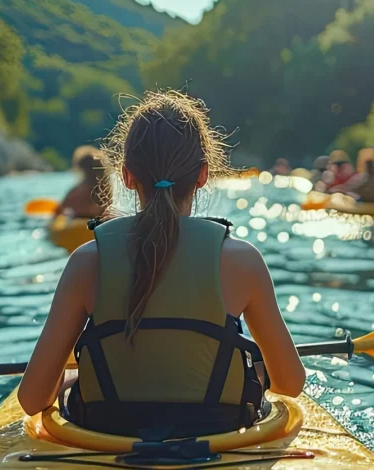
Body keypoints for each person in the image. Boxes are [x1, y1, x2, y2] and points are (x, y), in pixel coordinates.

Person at [18, 91, 305, 438]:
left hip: (108, 436)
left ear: (126, 175)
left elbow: (33, 399)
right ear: (203, 175)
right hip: (217, 434)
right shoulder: (243, 260)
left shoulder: (86, 261)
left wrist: (70, 378)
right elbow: (289, 384)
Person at [56, 148, 108, 219]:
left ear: (81, 168)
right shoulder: (107, 192)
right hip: (99, 225)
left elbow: (58, 211)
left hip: (78, 225)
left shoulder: (75, 192)